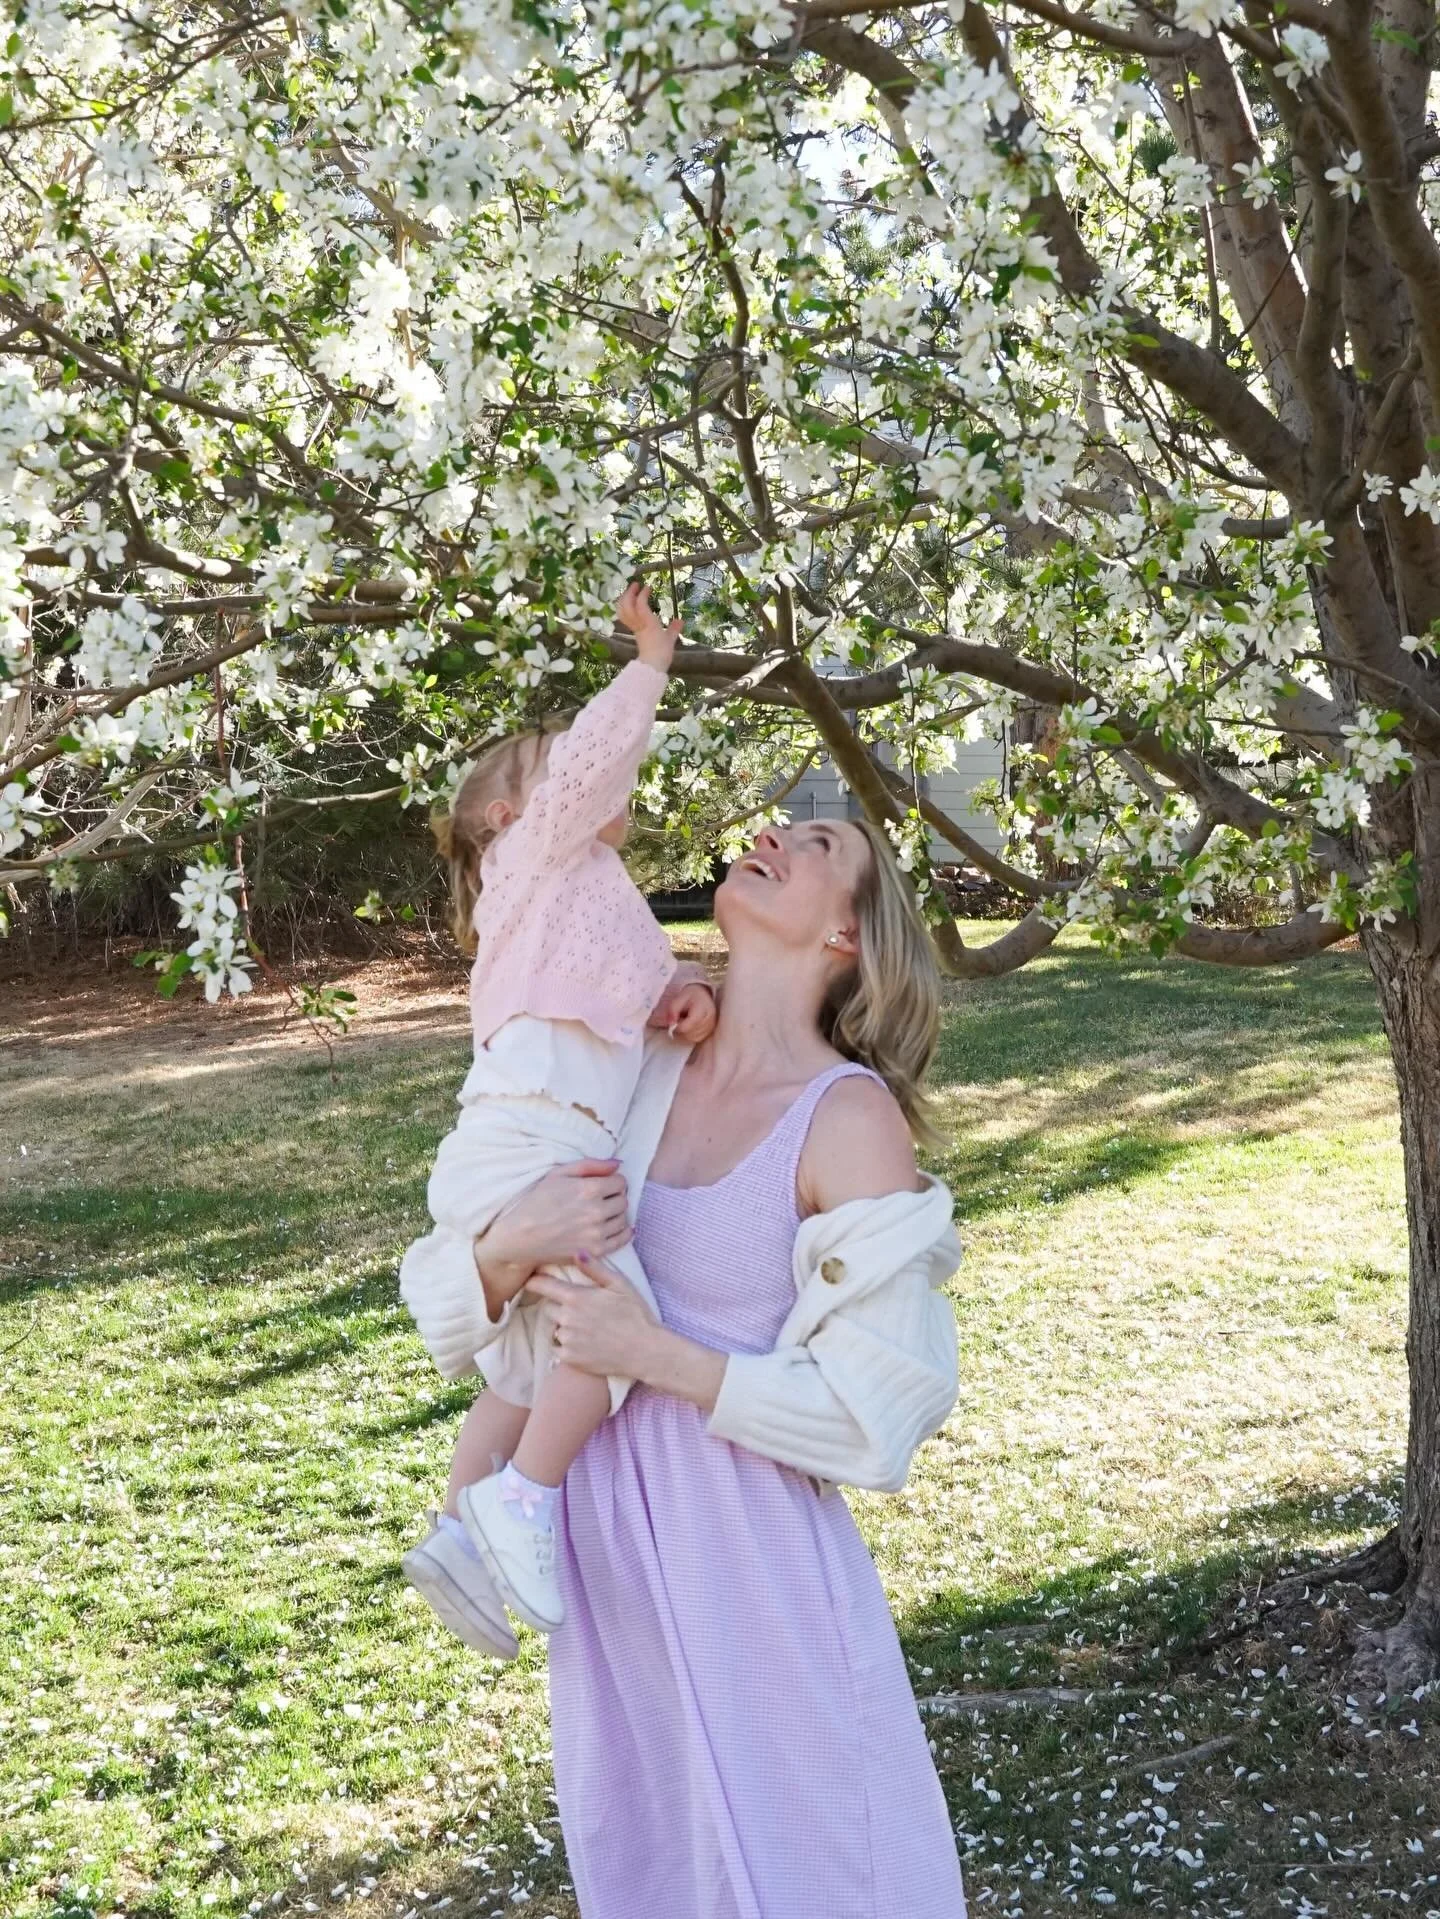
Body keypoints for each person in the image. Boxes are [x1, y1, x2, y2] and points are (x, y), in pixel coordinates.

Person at [452, 810, 968, 1917]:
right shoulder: (633, 1061)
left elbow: (876, 1417)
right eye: (785, 824)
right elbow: (482, 1272)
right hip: (610, 1564)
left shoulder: (848, 1120)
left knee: (821, 1878)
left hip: (752, 1563)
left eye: (822, 844)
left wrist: (657, 1355)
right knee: (654, 1874)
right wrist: (496, 1257)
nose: (779, 835)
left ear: (846, 934)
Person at [397, 583, 716, 1657]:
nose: (589, 771)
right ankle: (526, 1496)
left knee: (529, 1365)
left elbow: (633, 992)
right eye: (558, 765)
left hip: (528, 1144)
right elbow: (588, 765)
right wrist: (649, 662)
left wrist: (686, 994)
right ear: (508, 817)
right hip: (528, 1141)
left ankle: (457, 1527)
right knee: (614, 1323)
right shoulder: (532, 858)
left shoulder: (586, 892)